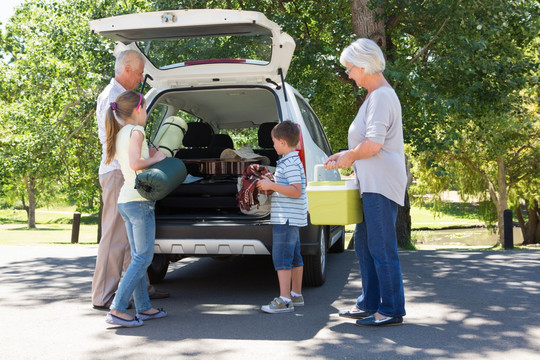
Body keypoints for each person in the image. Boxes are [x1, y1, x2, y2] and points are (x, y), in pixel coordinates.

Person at [324, 38, 407, 327]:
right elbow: (366, 146)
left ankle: (391, 309)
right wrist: (345, 156)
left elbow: (373, 145)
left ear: (364, 65)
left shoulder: (382, 96)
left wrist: (349, 157)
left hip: (381, 184)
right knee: (364, 246)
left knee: (382, 249)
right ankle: (369, 303)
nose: (348, 74)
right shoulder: (374, 96)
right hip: (370, 184)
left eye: (349, 68)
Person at [92, 50, 168, 311]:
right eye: (138, 73)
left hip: (123, 173)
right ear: (126, 69)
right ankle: (103, 296)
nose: (141, 77)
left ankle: (142, 292)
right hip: (116, 172)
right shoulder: (112, 98)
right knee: (115, 237)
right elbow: (124, 141)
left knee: (130, 239)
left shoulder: (119, 96)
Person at [103, 90, 168, 327]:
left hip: (126, 200)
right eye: (146, 109)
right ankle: (117, 309)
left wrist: (149, 153)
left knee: (138, 257)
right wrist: (158, 157)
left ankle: (144, 307)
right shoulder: (137, 131)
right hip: (139, 201)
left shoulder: (121, 133)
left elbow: (133, 161)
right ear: (138, 109)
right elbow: (135, 164)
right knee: (143, 257)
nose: (147, 114)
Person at [257, 120, 308, 314]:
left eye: (274, 142)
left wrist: (271, 186)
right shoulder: (292, 161)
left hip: (285, 219)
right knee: (295, 257)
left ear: (283, 143)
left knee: (282, 259)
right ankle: (296, 294)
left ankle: (285, 299)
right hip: (291, 218)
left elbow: (296, 191)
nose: (273, 145)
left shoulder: (291, 163)